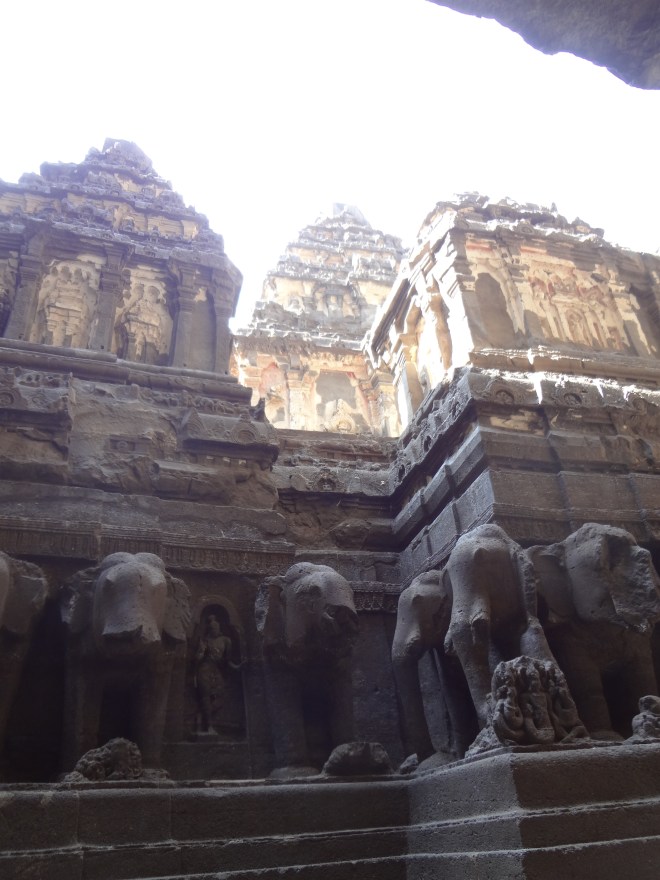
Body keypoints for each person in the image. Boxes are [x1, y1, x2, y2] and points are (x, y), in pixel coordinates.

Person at [194, 615, 241, 734]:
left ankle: (201, 714)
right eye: (212, 628)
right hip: (204, 669)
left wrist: (238, 666)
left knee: (221, 695)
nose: (215, 630)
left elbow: (228, 660)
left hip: (216, 670)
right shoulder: (205, 640)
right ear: (209, 629)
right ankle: (209, 726)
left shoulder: (226, 640)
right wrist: (201, 650)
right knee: (205, 697)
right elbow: (197, 659)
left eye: (217, 628)